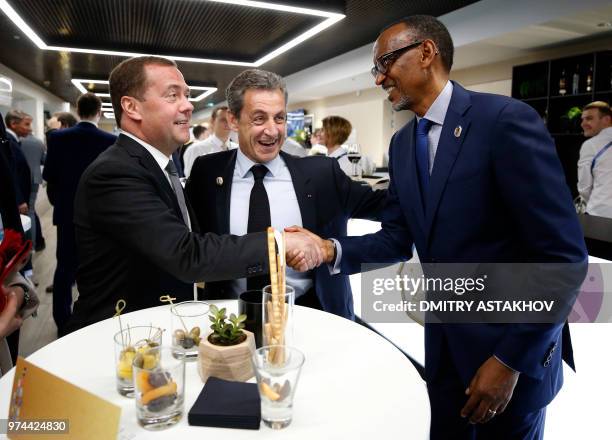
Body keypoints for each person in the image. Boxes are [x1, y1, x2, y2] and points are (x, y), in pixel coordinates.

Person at [296, 15, 587, 439]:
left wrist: (507, 361)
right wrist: (329, 250)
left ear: (426, 53)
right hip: (445, 352)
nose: (379, 79)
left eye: (385, 63)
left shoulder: (504, 122)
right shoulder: (402, 144)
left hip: (510, 358)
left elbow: (562, 259)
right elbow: (398, 237)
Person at [68, 56, 321, 332]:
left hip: (156, 330)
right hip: (119, 338)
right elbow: (187, 254)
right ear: (131, 107)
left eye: (187, 95)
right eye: (172, 95)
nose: (188, 105)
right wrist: (281, 244)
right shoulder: (116, 172)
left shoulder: (160, 165)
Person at [186, 69, 387, 319]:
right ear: (233, 120)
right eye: (259, 119)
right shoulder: (207, 172)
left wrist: (330, 249)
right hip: (229, 320)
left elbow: (392, 210)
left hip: (312, 315)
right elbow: (189, 247)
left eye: (279, 118)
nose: (272, 131)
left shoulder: (323, 174)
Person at [43, 93, 117, 335]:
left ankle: (63, 321)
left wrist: (60, 203)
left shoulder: (57, 138)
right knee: (97, 268)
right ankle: (94, 319)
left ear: (77, 109)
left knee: (65, 266)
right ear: (99, 112)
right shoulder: (109, 140)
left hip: (67, 212)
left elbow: (50, 177)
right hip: (100, 216)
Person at [577, 101, 612, 218]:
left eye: (589, 119)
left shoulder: (590, 145)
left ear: (606, 120)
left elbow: (584, 187)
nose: (583, 124)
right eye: (582, 119)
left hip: (600, 214)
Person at [183, 106, 236, 177]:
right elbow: (191, 180)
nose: (227, 124)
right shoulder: (195, 150)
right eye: (223, 120)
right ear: (212, 121)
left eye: (230, 120)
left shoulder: (237, 149)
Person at [19, 133, 46, 251]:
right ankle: (36, 243)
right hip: (35, 177)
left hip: (22, 179)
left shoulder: (17, 141)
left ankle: (31, 246)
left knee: (28, 212)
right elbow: (43, 160)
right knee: (31, 210)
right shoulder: (39, 142)